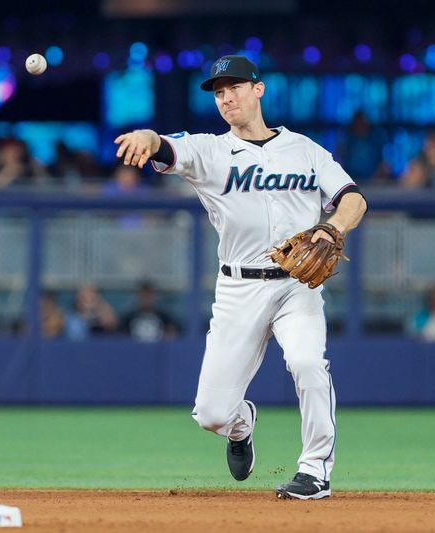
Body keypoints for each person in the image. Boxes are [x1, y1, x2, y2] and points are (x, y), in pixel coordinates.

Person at [114, 55, 367, 499]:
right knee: (211, 414)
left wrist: (333, 227)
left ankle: (315, 472)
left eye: (234, 87)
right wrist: (144, 136)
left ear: (259, 89)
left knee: (308, 362)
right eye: (218, 92)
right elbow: (163, 145)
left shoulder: (306, 150)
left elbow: (353, 200)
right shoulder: (210, 151)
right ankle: (241, 425)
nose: (226, 97)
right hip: (238, 287)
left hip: (296, 285)